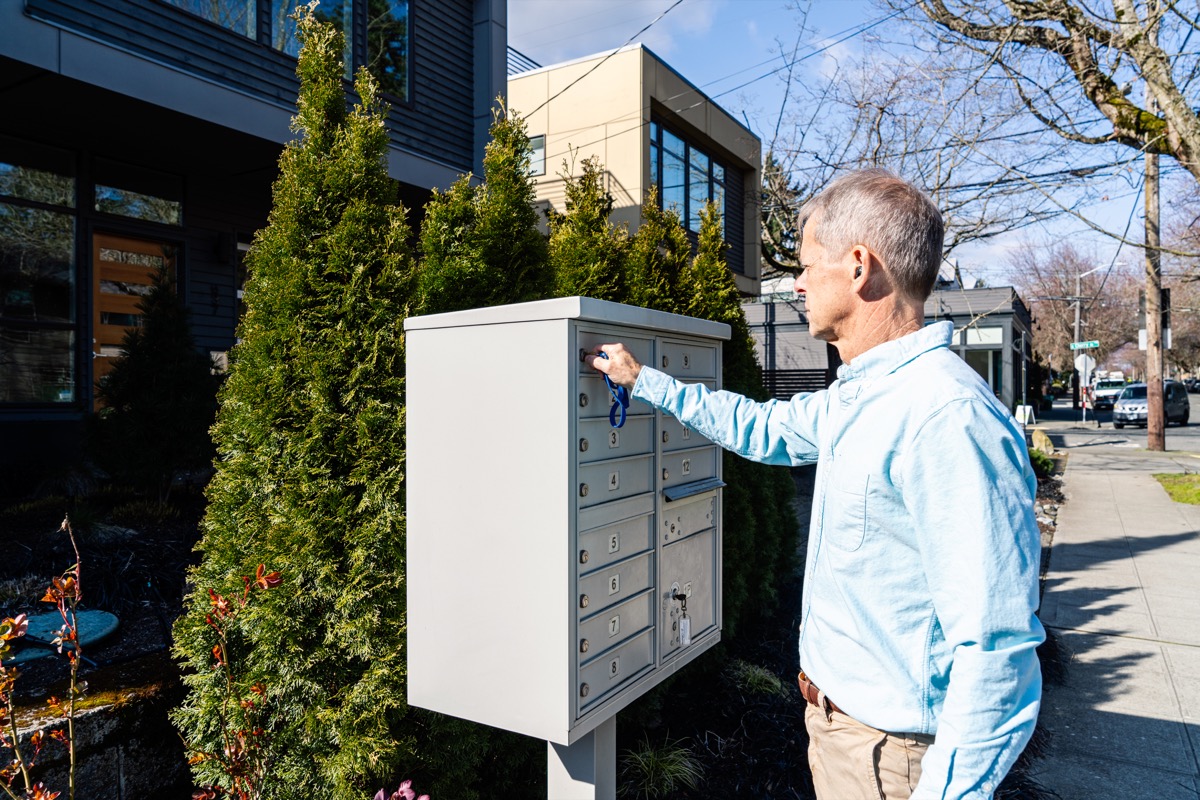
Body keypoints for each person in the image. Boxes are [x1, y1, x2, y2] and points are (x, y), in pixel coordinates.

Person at [587, 169, 1043, 800]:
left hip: (893, 758)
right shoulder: (860, 396)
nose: (796, 282)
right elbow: (761, 428)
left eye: (806, 265)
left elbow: (996, 647)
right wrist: (647, 382)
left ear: (859, 267)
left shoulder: (945, 416)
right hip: (844, 733)